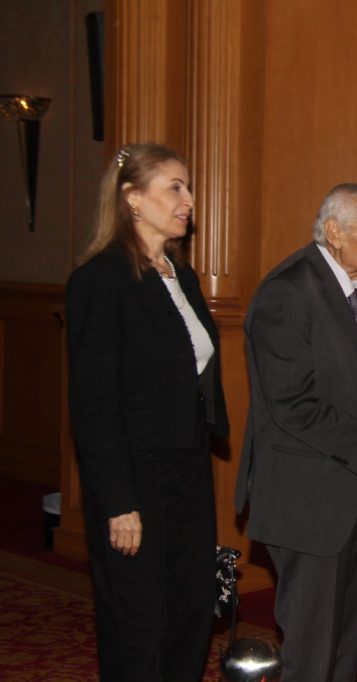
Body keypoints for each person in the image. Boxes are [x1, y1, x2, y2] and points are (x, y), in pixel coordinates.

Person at [234, 183, 357, 681]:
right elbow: (293, 405)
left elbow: (352, 386)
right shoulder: (288, 291)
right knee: (312, 655)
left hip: (350, 493)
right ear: (335, 232)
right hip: (308, 504)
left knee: (342, 647)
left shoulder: (347, 289)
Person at [66, 143, 229, 681]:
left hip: (187, 465)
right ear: (132, 198)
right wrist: (118, 503)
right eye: (175, 187)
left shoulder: (180, 274)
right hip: (134, 474)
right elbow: (93, 402)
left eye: (189, 187)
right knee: (139, 622)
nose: (190, 200)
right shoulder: (101, 279)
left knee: (190, 609)